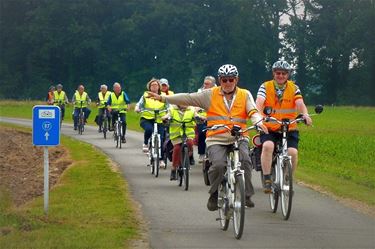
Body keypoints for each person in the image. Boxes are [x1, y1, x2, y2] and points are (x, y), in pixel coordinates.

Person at [147, 64, 268, 211]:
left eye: (231, 79)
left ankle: (246, 195)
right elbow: (187, 98)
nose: (228, 83)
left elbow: (253, 111)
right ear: (220, 80)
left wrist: (258, 121)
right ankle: (214, 194)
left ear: (236, 80)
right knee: (218, 165)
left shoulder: (245, 94)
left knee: (246, 161)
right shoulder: (210, 94)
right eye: (224, 80)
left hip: (239, 136)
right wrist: (162, 97)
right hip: (216, 137)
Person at [255, 60, 312, 193]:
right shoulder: (265, 86)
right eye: (278, 73)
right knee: (268, 146)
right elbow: (259, 102)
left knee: (293, 152)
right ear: (274, 73)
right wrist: (258, 118)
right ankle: (267, 178)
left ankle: (288, 179)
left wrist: (305, 114)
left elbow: (300, 103)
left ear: (288, 75)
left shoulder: (294, 87)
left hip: (289, 127)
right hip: (269, 127)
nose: (281, 76)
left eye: (284, 73)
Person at [134, 78, 168, 168]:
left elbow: (169, 106)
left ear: (159, 87)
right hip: (147, 118)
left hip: (160, 119)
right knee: (149, 130)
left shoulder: (163, 96)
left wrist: (168, 115)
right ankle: (145, 143)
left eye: (156, 85)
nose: (154, 86)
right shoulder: (145, 95)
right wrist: (137, 108)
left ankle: (161, 160)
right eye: (152, 85)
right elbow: (139, 104)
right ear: (149, 87)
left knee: (160, 139)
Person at [162, 105, 196, 180]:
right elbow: (168, 115)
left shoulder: (191, 109)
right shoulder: (172, 109)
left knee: (190, 143)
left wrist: (201, 117)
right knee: (177, 148)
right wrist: (165, 118)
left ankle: (188, 157)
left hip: (188, 133)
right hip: (176, 134)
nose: (183, 104)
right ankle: (174, 168)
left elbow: (196, 115)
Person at [195, 76, 216, 162]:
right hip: (202, 117)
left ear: (213, 84)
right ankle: (201, 153)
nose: (205, 85)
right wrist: (196, 112)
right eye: (204, 83)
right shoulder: (200, 92)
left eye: (207, 84)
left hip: (214, 117)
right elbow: (196, 103)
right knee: (202, 133)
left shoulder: (218, 91)